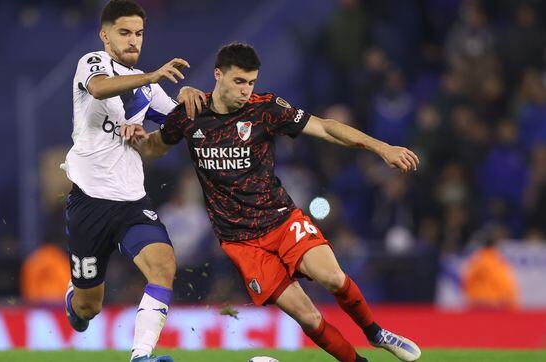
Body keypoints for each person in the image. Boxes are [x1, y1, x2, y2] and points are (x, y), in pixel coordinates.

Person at [124, 43, 422, 362]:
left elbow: (325, 127)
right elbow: (156, 147)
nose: (246, 90)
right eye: (239, 81)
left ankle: (375, 333)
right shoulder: (190, 114)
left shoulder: (264, 109)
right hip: (241, 242)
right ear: (218, 75)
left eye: (251, 82)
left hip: (281, 220)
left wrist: (382, 148)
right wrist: (136, 138)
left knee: (333, 277)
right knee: (308, 317)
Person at [59, 1, 205, 361]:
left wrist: (189, 102)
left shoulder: (150, 92)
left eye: (138, 33)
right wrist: (153, 76)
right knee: (89, 307)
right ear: (104, 34)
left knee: (164, 266)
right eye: (124, 32)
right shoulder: (92, 64)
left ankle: (141, 355)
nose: (133, 40)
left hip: (132, 204)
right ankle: (75, 302)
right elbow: (98, 89)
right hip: (89, 204)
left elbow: (173, 135)